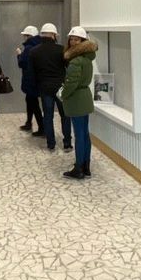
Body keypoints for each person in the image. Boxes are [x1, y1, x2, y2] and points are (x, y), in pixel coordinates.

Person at [28, 23, 72, 152]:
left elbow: (31, 73)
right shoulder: (61, 49)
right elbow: (68, 67)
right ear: (54, 35)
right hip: (61, 87)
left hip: (44, 87)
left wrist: (35, 88)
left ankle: (51, 143)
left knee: (48, 116)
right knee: (65, 115)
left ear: (42, 35)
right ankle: (67, 143)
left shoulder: (34, 51)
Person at [61, 27, 97, 179]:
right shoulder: (87, 59)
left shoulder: (76, 61)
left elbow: (71, 83)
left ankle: (78, 168)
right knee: (84, 133)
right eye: (71, 39)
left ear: (83, 41)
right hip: (85, 97)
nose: (73, 42)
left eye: (76, 39)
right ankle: (86, 165)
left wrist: (63, 94)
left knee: (79, 135)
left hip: (76, 99)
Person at [16, 26, 44, 136]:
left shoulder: (28, 48)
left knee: (33, 103)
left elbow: (22, 63)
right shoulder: (40, 45)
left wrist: (19, 54)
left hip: (30, 80)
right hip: (38, 79)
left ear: (29, 36)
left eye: (25, 36)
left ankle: (41, 127)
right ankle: (29, 123)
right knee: (30, 101)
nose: (24, 38)